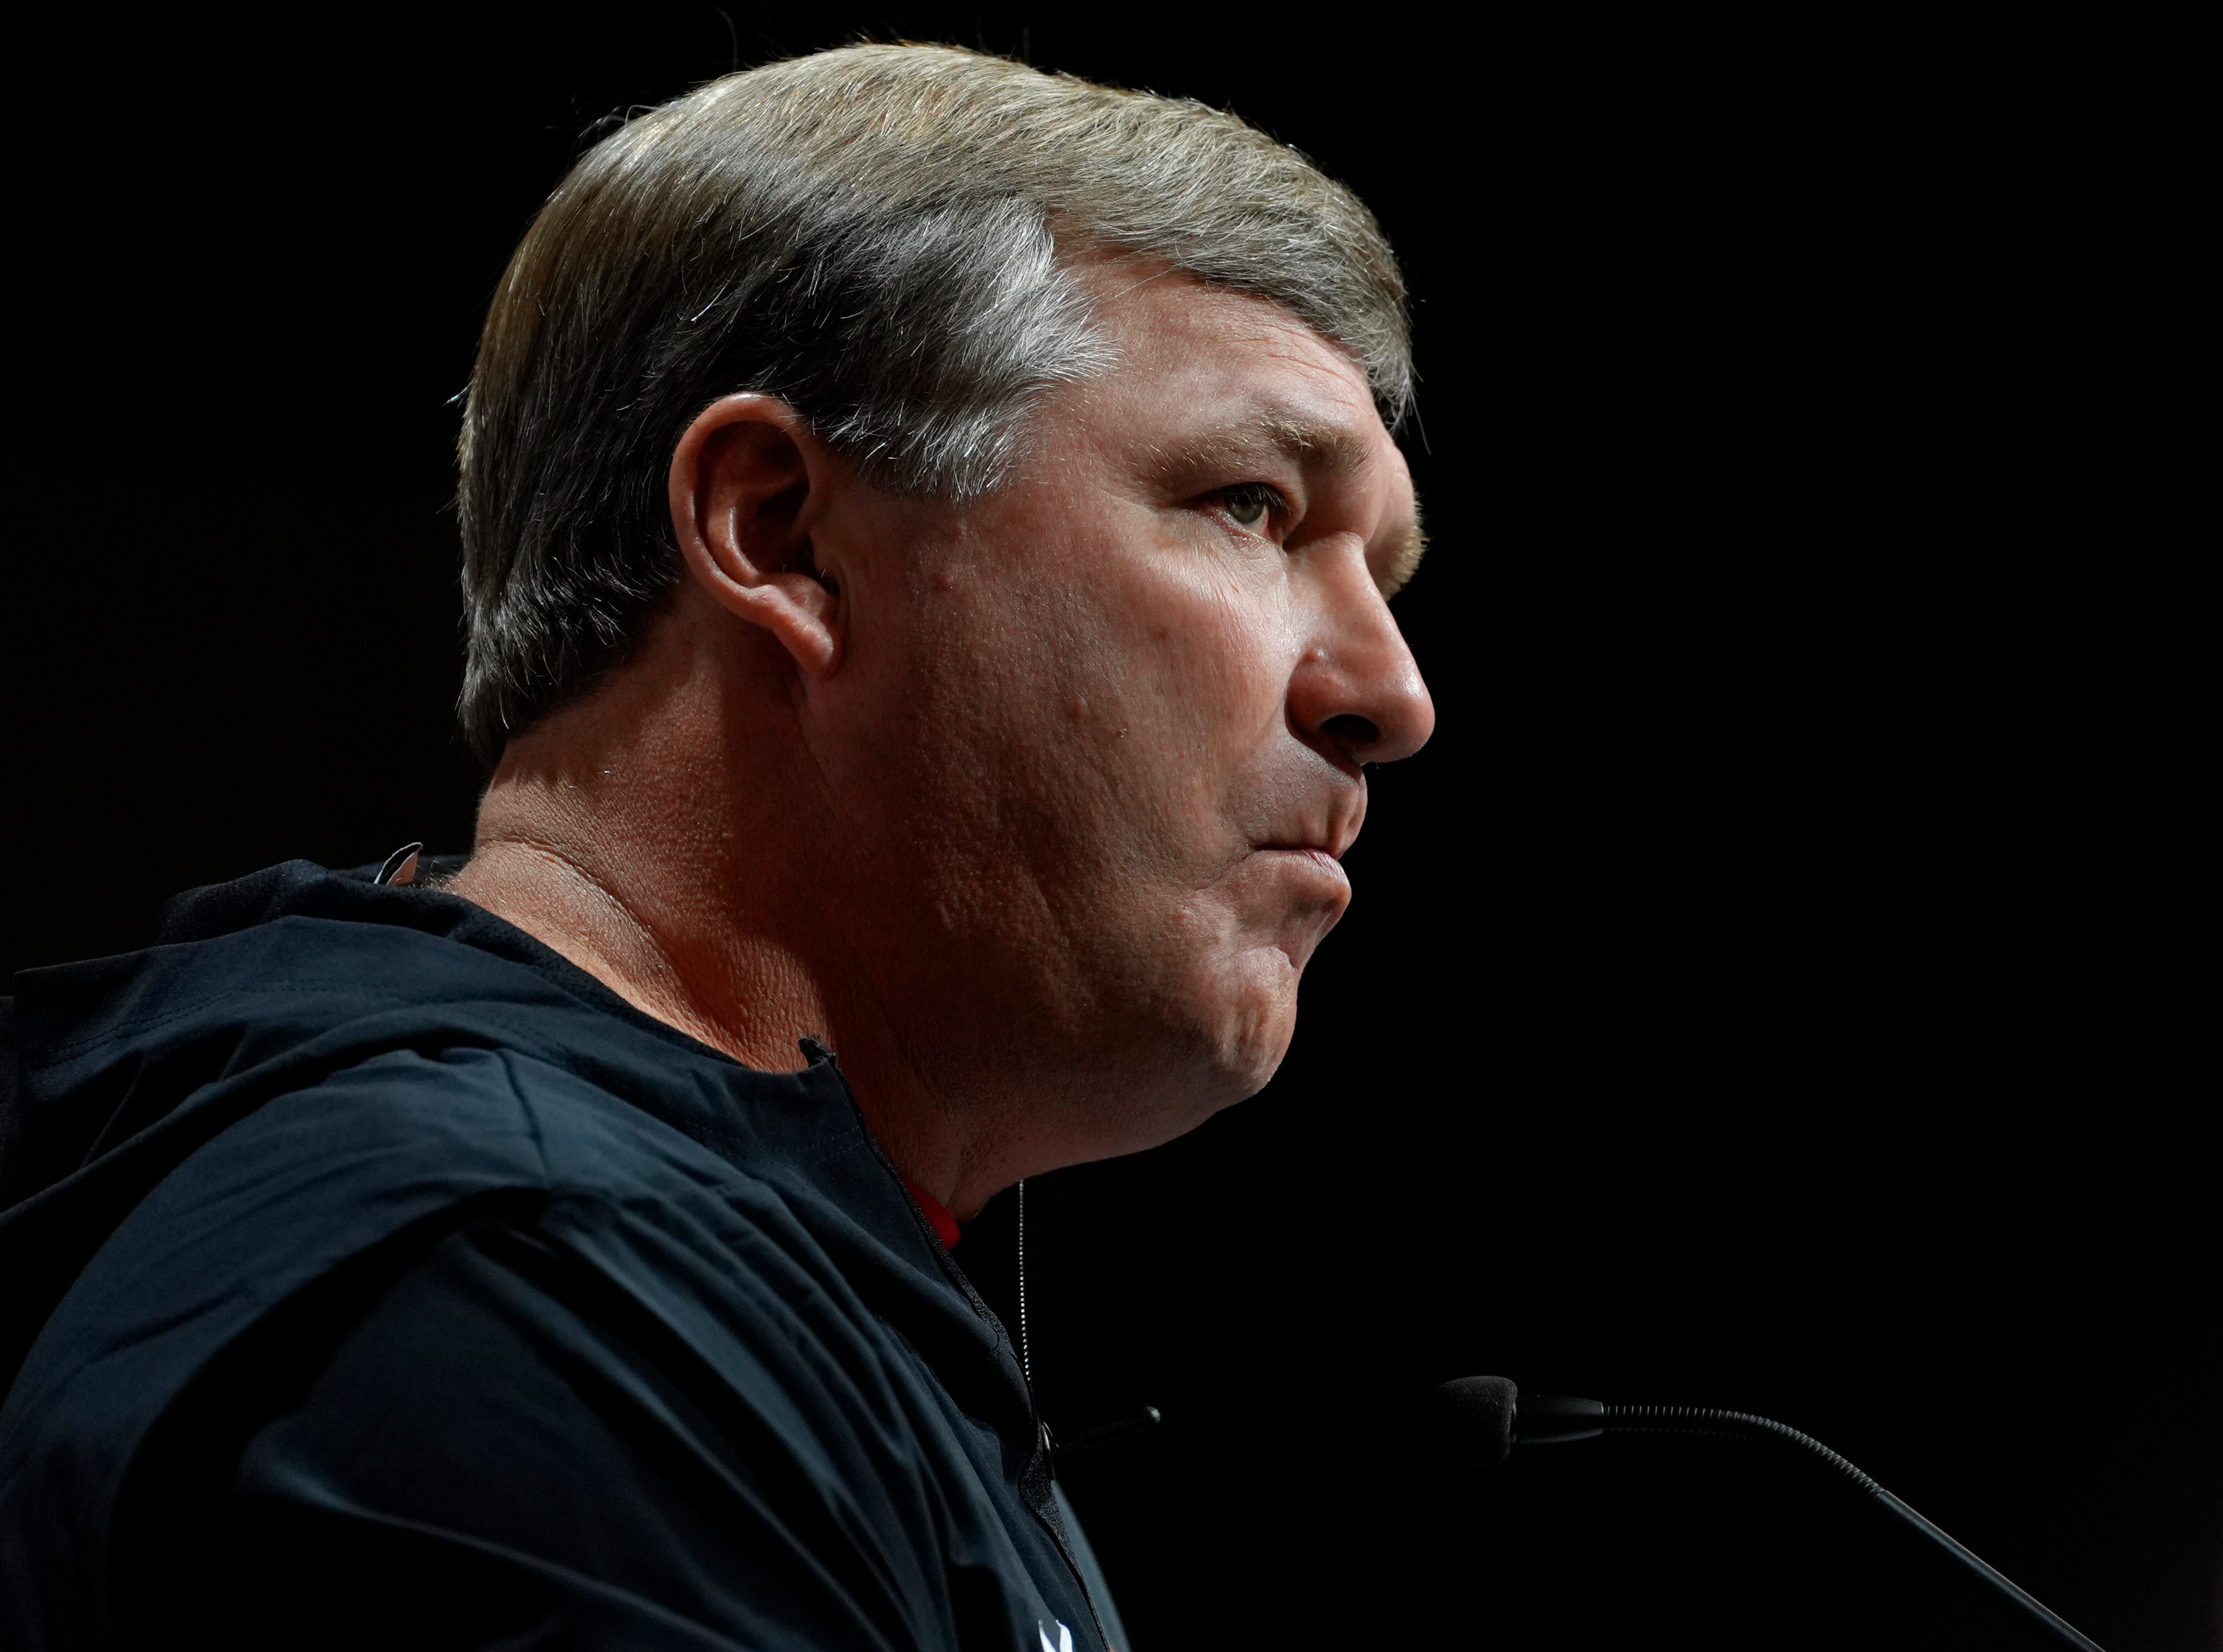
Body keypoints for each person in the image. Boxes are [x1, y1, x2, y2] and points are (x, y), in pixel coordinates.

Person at [0, 44, 1433, 1651]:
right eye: (1251, 505)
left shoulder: (713, 1271)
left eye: (1386, 577)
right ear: (782, 537)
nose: (1392, 695)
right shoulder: (521, 1300)